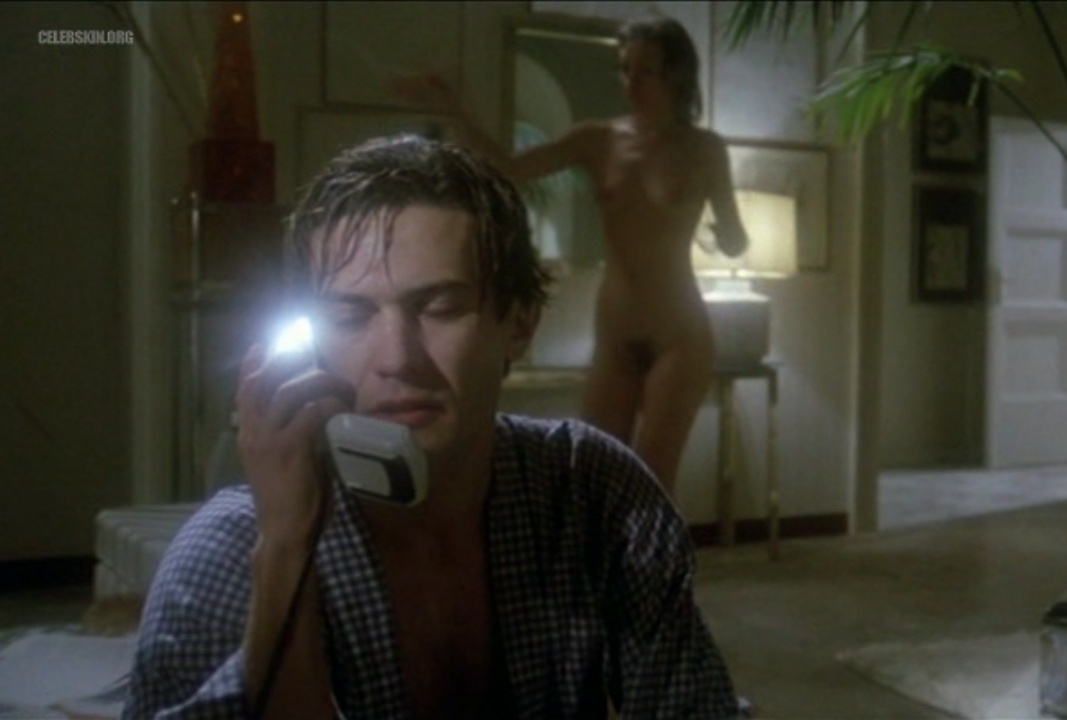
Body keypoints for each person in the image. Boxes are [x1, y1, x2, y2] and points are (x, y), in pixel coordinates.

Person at [122, 135, 743, 719]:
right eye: (350, 316)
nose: (397, 359)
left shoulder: (593, 491)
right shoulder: (226, 555)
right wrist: (285, 547)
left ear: (519, 324)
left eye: (441, 308)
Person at [395, 16, 748, 494]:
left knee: (652, 480)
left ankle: (654, 546)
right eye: (624, 69)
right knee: (597, 472)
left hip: (679, 334)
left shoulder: (705, 149)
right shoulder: (597, 139)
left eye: (644, 71)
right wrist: (455, 109)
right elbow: (510, 167)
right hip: (616, 327)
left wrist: (726, 235)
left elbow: (735, 239)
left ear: (676, 75)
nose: (630, 83)